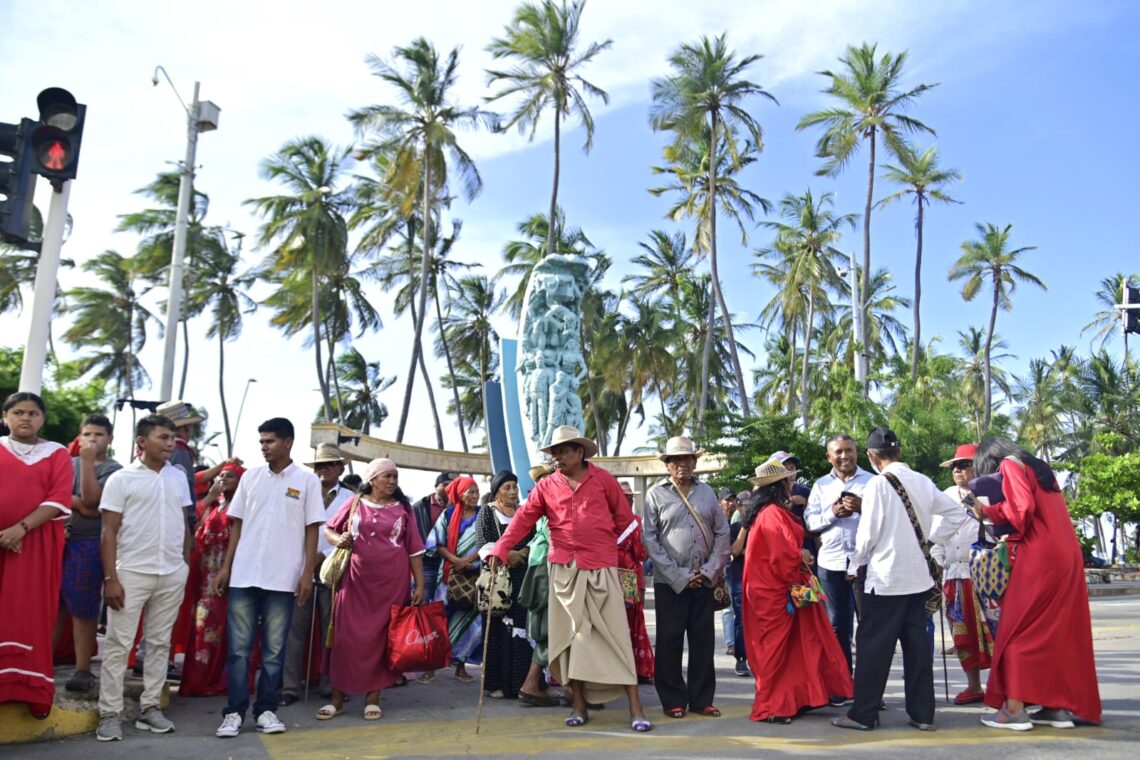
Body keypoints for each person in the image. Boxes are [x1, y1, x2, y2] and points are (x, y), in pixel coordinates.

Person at [487, 426, 652, 733]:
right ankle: (579, 705)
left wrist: (603, 543)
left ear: (580, 452)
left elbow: (625, 521)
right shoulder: (546, 485)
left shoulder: (604, 480)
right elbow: (523, 519)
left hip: (601, 569)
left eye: (563, 451)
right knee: (570, 641)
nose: (557, 457)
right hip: (562, 570)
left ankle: (636, 708)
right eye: (554, 453)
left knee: (616, 636)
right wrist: (501, 548)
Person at [832, 427, 966, 733]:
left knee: (873, 648)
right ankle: (923, 714)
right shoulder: (923, 481)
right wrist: (932, 540)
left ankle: (862, 714)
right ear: (899, 452)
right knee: (917, 647)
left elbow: (868, 533)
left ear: (871, 456)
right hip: (918, 578)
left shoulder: (878, 485)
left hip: (886, 578)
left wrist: (855, 564)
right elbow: (957, 515)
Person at [969, 437, 1101, 730]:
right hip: (1067, 554)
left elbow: (1021, 509)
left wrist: (988, 511)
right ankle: (1055, 707)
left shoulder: (1009, 465)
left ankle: (1014, 709)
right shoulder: (1040, 467)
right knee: (1056, 632)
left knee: (1018, 631)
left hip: (1039, 555)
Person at [210, 418, 325, 739]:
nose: (264, 447)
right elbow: (237, 524)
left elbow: (312, 528)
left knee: (274, 651)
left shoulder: (306, 481)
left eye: (270, 441)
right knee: (238, 650)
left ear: (288, 442)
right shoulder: (250, 478)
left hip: (283, 578)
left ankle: (265, 710)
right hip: (244, 574)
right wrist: (226, 567)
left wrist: (306, 573)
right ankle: (233, 712)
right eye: (261, 441)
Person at [96, 414, 193, 742]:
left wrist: (184, 565)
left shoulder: (178, 477)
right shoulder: (121, 479)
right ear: (141, 442)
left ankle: (150, 708)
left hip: (171, 573)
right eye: (163, 437)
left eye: (172, 438)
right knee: (118, 644)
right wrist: (111, 578)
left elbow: (185, 524)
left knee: (160, 643)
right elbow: (108, 532)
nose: (170, 443)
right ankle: (109, 714)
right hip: (131, 573)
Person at [742, 460, 853, 723]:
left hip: (775, 589)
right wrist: (802, 556)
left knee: (795, 645)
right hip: (778, 591)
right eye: (789, 480)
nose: (792, 484)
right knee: (778, 650)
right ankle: (770, 706)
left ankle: (796, 699)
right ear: (779, 485)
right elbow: (783, 556)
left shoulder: (766, 512)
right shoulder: (772, 513)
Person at [318, 458, 425, 721]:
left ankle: (373, 698)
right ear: (372, 479)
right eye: (387, 476)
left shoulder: (403, 509)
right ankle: (336, 699)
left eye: (395, 476)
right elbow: (328, 530)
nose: (392, 481)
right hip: (354, 582)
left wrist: (420, 584)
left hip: (392, 584)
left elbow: (414, 549)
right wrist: (339, 539)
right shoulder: (355, 502)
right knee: (344, 638)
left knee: (380, 639)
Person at [644, 436, 730, 720]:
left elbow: (722, 533)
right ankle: (672, 700)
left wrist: (708, 571)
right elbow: (650, 540)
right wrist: (679, 575)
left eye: (687, 458)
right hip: (670, 582)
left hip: (703, 580)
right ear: (667, 465)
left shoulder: (707, 493)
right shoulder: (655, 495)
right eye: (675, 459)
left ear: (694, 462)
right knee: (669, 641)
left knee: (703, 641)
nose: (682, 464)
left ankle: (701, 700)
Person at [0, 392, 73, 720]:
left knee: (32, 612)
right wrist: (6, 535)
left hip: (37, 543)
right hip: (2, 540)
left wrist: (21, 529)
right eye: (18, 412)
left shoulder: (56, 453)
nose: (25, 418)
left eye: (33, 413)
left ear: (42, 419)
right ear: (5, 417)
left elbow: (59, 499)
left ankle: (33, 690)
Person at [281, 443, 354, 705]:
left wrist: (323, 555)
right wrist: (306, 559)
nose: (325, 470)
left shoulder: (351, 497)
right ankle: (289, 687)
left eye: (331, 465)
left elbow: (352, 533)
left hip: (333, 570)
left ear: (340, 469)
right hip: (300, 569)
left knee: (330, 630)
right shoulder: (299, 490)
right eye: (320, 465)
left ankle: (330, 684)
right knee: (294, 631)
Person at [58, 413, 122, 693]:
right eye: (87, 434)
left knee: (83, 606)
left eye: (98, 435)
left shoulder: (114, 470)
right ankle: (41, 663)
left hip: (89, 542)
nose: (92, 440)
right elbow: (52, 495)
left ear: (110, 439)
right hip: (59, 540)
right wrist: (76, 502)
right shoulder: (66, 463)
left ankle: (82, 669)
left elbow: (93, 500)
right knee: (53, 605)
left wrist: (86, 463)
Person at [930, 444, 999, 705]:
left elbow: (997, 528)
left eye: (963, 465)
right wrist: (938, 560)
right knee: (962, 633)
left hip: (985, 573)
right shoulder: (945, 496)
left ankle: (1002, 685)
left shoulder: (990, 492)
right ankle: (974, 685)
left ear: (977, 466)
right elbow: (935, 535)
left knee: (995, 630)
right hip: (954, 574)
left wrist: (971, 500)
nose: (957, 470)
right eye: (954, 466)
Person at [804, 434, 873, 673]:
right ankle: (844, 682)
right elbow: (810, 524)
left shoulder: (873, 482)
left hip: (865, 563)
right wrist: (832, 514)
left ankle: (867, 684)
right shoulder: (821, 485)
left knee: (869, 626)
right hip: (831, 565)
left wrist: (863, 508)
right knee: (836, 626)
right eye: (838, 452)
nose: (844, 456)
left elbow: (887, 519)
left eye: (848, 450)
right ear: (829, 457)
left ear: (856, 452)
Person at [179, 461, 243, 697]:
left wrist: (226, 570)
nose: (223, 479)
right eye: (221, 476)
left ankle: (210, 679)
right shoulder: (216, 504)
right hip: (203, 576)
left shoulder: (239, 507)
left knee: (211, 627)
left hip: (221, 575)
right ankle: (199, 678)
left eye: (230, 476)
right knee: (201, 626)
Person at [475, 470, 535, 701]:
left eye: (514, 486)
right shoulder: (487, 512)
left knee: (520, 625)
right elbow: (483, 543)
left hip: (521, 576)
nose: (512, 491)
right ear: (497, 491)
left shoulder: (524, 512)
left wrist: (522, 554)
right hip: (498, 577)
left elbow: (534, 538)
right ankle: (498, 682)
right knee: (498, 628)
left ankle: (519, 682)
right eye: (507, 487)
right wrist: (507, 555)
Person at [424, 475, 484, 683]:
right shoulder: (448, 515)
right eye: (471, 492)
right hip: (448, 575)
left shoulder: (483, 515)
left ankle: (461, 666)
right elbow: (437, 543)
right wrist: (455, 560)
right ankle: (431, 667)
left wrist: (468, 560)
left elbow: (490, 542)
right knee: (440, 620)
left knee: (469, 621)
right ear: (460, 494)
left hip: (474, 574)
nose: (476, 496)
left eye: (477, 492)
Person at [516, 463, 562, 707]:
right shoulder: (550, 503)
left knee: (553, 627)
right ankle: (532, 684)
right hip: (548, 567)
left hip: (542, 565)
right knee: (552, 627)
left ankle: (568, 687)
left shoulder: (541, 504)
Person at [618, 480, 655, 684]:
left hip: (609, 575)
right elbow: (641, 553)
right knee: (634, 622)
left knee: (615, 623)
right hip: (629, 577)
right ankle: (640, 667)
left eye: (630, 497)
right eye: (627, 497)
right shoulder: (635, 522)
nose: (630, 500)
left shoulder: (606, 520)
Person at [412, 472, 455, 603]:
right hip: (427, 563)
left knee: (446, 603)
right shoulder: (420, 506)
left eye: (452, 485)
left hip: (451, 562)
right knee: (422, 601)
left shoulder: (459, 506)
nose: (449, 488)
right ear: (436, 486)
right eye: (445, 485)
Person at [717, 487, 738, 657]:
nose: (731, 503)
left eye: (733, 500)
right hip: (723, 568)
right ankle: (731, 643)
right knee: (727, 608)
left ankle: (740, 641)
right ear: (720, 502)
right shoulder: (716, 521)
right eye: (728, 500)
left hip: (738, 567)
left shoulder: (739, 520)